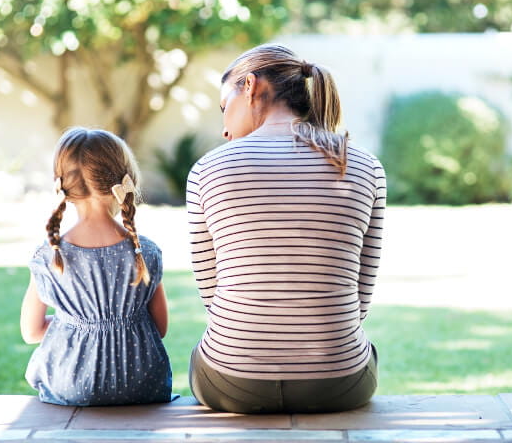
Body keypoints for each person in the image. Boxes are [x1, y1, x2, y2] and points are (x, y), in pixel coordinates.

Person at [186, 44, 386, 413]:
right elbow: (360, 297)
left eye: (223, 107)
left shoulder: (207, 170)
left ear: (249, 86)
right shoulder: (363, 165)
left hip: (231, 383)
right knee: (365, 350)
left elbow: (212, 296)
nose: (224, 128)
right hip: (338, 383)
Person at [20, 127, 172, 406]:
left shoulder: (49, 256)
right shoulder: (146, 252)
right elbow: (160, 327)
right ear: (124, 180)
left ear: (63, 185)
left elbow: (31, 332)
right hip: (142, 384)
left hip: (71, 385)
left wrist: (75, 323)